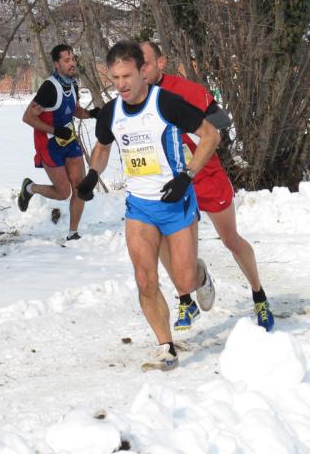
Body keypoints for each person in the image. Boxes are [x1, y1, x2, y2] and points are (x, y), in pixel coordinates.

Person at [76, 41, 221, 371]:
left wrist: (187, 176)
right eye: (115, 78)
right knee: (145, 279)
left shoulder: (166, 103)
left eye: (127, 75)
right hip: (139, 207)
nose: (122, 84)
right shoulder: (112, 112)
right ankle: (166, 347)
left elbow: (210, 135)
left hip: (176, 202)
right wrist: (92, 174)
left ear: (143, 72)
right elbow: (102, 146)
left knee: (183, 280)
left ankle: (200, 277)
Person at [140, 41, 274, 332]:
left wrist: (191, 134)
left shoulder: (186, 91)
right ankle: (186, 298)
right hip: (173, 186)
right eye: (136, 65)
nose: (141, 70)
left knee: (231, 240)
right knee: (165, 242)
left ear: (161, 63)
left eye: (146, 63)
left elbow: (220, 125)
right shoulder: (135, 102)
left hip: (206, 178)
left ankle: (259, 295)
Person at [18, 44, 100, 241]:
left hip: (69, 140)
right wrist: (55, 131)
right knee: (63, 193)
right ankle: (30, 188)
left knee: (80, 187)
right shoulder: (49, 88)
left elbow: (74, 109)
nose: (72, 63)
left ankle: (73, 233)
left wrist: (90, 114)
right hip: (49, 144)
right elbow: (28, 118)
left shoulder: (72, 83)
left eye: (73, 59)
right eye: (67, 60)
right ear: (56, 64)